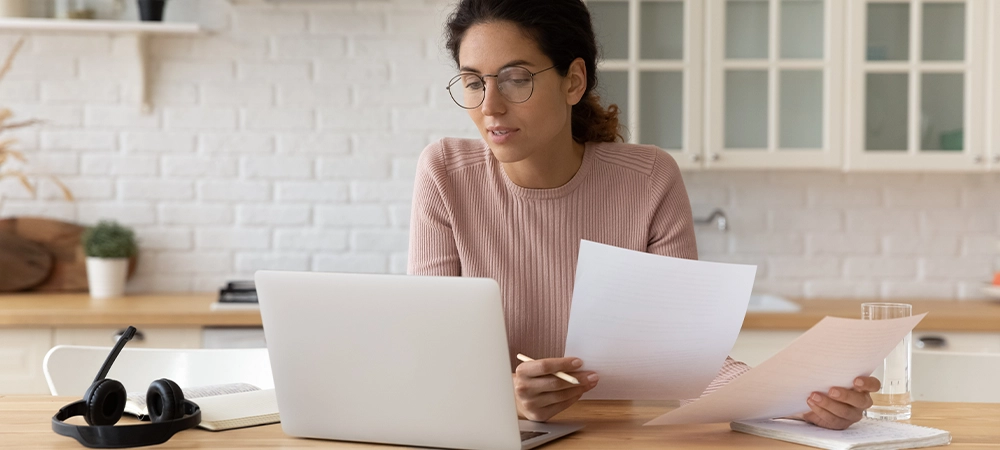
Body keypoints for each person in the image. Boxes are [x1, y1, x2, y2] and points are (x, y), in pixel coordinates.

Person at [407, 0, 878, 430]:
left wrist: (802, 401)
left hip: (619, 439)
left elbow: (691, 358)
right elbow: (431, 355)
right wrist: (504, 396)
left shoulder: (648, 179)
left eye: (515, 78)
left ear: (573, 80)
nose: (490, 106)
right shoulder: (446, 173)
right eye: (474, 82)